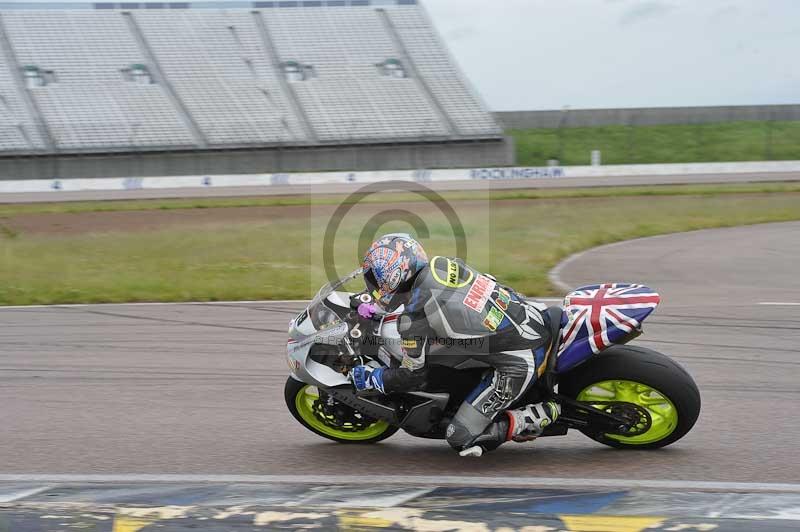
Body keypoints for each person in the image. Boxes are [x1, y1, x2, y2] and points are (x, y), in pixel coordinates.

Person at [349, 233, 560, 457]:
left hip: (521, 358)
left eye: (375, 279)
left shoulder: (414, 321)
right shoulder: (442, 265)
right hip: (530, 315)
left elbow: (413, 376)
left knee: (460, 436)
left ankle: (545, 411)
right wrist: (374, 307)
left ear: (394, 277)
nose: (372, 285)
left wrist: (375, 377)